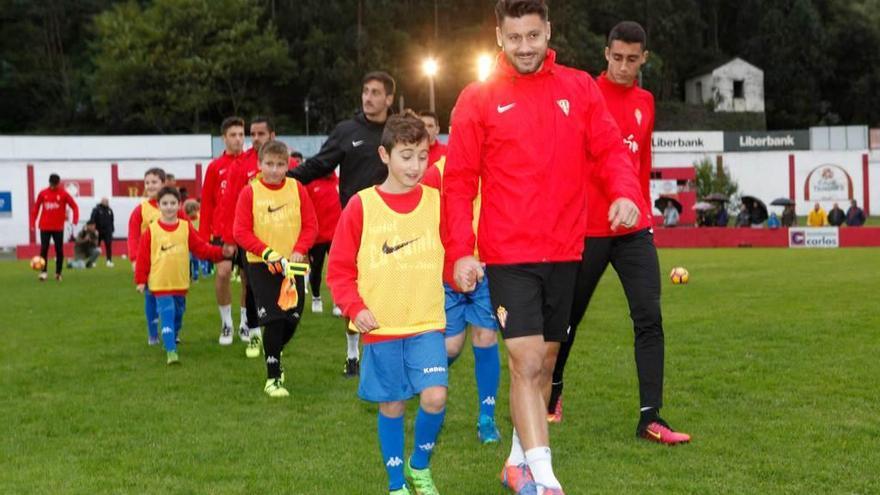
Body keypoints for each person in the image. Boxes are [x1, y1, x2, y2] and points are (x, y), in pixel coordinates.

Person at [443, 2, 644, 493]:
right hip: (509, 253)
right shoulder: (477, 98)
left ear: (548, 31)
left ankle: (517, 460)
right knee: (526, 361)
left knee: (546, 364)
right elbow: (459, 182)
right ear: (498, 37)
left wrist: (624, 193)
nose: (525, 47)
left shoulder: (579, 88)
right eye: (515, 38)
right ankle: (545, 479)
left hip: (566, 249)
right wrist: (459, 251)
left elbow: (610, 150)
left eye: (533, 35)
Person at [548, 20, 690, 448]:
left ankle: (651, 417)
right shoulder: (582, 94)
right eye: (617, 57)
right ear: (606, 54)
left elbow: (639, 164)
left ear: (643, 59)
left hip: (635, 230)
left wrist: (641, 212)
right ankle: (551, 393)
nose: (624, 66)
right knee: (567, 319)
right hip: (587, 227)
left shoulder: (646, 102)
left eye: (633, 59)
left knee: (649, 319)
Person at [327, 114, 448, 495]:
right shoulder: (362, 206)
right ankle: (397, 484)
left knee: (435, 396)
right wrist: (354, 307)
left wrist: (465, 266)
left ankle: (420, 466)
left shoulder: (437, 203)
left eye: (423, 157)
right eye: (406, 156)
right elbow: (340, 270)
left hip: (427, 321)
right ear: (384, 155)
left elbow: (458, 247)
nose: (415, 166)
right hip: (381, 327)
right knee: (393, 406)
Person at [289, 71, 397, 378]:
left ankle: (386, 350)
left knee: (389, 291)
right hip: (357, 226)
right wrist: (283, 180)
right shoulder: (347, 130)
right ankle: (353, 355)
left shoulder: (397, 129)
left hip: (395, 225)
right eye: (365, 91)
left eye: (376, 92)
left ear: (389, 98)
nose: (368, 98)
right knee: (356, 292)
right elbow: (318, 164)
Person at [421, 112, 502, 446]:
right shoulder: (433, 176)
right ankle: (428, 393)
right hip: (448, 274)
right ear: (453, 134)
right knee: (452, 346)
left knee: (485, 338)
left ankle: (486, 418)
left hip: (486, 269)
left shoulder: (494, 172)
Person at [234, 140, 317, 396]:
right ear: (259, 165)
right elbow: (241, 231)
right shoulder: (250, 192)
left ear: (288, 165)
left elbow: (311, 226)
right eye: (269, 164)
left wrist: (300, 249)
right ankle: (273, 379)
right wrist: (267, 252)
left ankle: (273, 352)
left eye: (280, 164)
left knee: (291, 319)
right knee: (273, 319)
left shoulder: (297, 189)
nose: (274, 170)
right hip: (261, 265)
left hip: (293, 266)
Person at [135, 187, 225, 364]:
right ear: (159, 206)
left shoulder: (185, 228)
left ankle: (172, 336)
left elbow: (200, 248)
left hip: (180, 283)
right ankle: (171, 352)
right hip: (160, 283)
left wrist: (221, 253)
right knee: (167, 313)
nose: (169, 207)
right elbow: (142, 258)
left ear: (179, 205)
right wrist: (140, 280)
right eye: (165, 203)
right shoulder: (151, 231)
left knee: (178, 315)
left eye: (173, 203)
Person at [221, 116, 283, 357]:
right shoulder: (241, 164)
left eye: (261, 134)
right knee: (251, 285)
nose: (255, 138)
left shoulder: (284, 163)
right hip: (251, 240)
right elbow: (230, 204)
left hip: (280, 237)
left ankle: (276, 336)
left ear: (272, 136)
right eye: (253, 134)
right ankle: (254, 334)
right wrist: (231, 237)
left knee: (280, 289)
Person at [202, 117, 251, 347]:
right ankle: (226, 323)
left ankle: (244, 322)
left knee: (248, 279)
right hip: (222, 232)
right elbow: (207, 205)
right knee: (222, 274)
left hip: (248, 231)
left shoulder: (253, 164)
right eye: (233, 135)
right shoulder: (214, 167)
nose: (238, 139)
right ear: (224, 138)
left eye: (241, 134)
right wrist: (204, 240)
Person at [128, 167, 170, 345]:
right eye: (147, 183)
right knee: (151, 297)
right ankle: (153, 334)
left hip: (171, 261)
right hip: (150, 263)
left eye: (154, 182)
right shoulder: (141, 210)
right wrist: (134, 260)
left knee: (173, 299)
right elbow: (133, 236)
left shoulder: (171, 205)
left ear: (163, 183)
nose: (150, 186)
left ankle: (172, 331)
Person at [32, 173, 79, 281]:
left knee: (59, 250)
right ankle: (43, 272)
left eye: (55, 184)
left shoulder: (63, 194)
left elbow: (74, 206)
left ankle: (58, 273)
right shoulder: (43, 193)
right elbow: (35, 208)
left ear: (58, 183)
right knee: (44, 249)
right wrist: (32, 223)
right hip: (44, 226)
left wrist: (75, 220)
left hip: (58, 227)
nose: (53, 186)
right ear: (49, 183)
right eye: (52, 184)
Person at [89, 197, 115, 267]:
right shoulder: (96, 209)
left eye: (107, 201)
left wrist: (112, 229)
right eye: (105, 201)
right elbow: (92, 220)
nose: (107, 202)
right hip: (98, 231)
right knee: (96, 247)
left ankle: (109, 261)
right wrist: (93, 230)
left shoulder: (110, 210)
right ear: (102, 202)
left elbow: (112, 220)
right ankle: (93, 261)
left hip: (107, 231)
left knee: (108, 246)